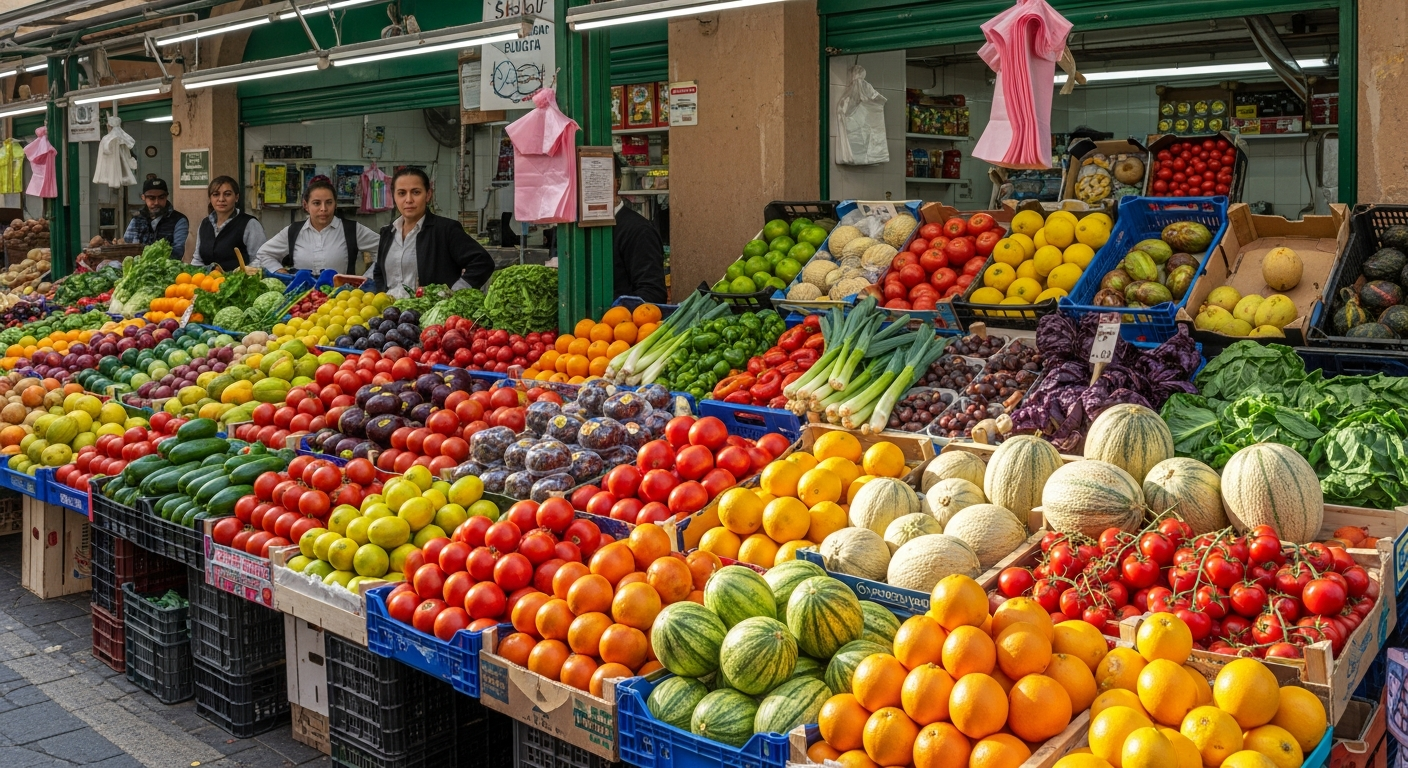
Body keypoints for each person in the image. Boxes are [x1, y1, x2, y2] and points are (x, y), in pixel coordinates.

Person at [367, 168, 494, 298]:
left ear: (428, 195)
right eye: (401, 193)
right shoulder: (387, 233)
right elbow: (379, 272)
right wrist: (381, 296)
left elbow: (482, 262)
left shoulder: (446, 230)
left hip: (427, 309)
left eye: (416, 192)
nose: (408, 199)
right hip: (390, 309)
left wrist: (454, 294)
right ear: (394, 197)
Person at [254, 178, 379, 274]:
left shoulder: (352, 230)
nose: (323, 209)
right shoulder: (294, 231)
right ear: (306, 205)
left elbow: (384, 250)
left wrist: (368, 279)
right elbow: (264, 254)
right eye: (316, 203)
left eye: (329, 202)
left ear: (335, 204)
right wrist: (279, 271)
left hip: (342, 298)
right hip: (302, 298)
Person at [611, 155, 668, 303]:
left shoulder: (639, 231)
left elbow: (653, 292)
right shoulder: (578, 231)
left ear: (617, 183)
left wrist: (615, 309)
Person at [191, 176, 267, 271]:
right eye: (216, 194)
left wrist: (240, 274)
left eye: (227, 194)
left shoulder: (250, 224)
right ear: (210, 198)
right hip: (207, 279)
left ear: (236, 197)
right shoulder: (205, 224)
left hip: (238, 279)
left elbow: (260, 258)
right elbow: (198, 260)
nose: (221, 199)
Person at [123, 177, 188, 254]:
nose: (156, 202)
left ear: (166, 197)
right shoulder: (137, 220)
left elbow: (178, 252)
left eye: (161, 198)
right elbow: (128, 247)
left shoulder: (179, 220)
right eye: (152, 198)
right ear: (143, 197)